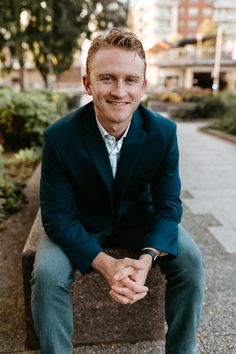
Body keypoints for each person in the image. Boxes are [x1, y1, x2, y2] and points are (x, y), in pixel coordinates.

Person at [31, 28, 205, 354]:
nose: (119, 91)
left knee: (192, 260)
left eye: (130, 80)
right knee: (46, 273)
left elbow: (168, 205)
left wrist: (147, 259)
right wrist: (104, 264)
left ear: (143, 87)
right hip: (80, 224)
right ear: (88, 84)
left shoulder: (163, 133)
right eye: (107, 78)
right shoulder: (59, 137)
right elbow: (56, 216)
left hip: (140, 220)